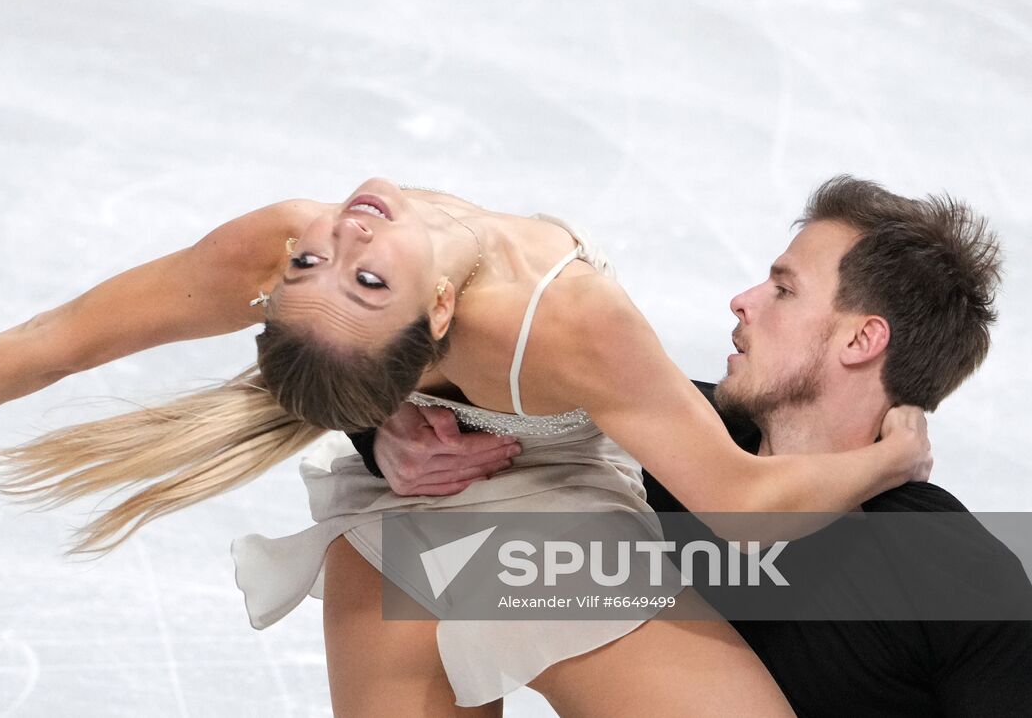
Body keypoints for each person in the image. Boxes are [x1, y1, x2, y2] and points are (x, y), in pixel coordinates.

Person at [0, 178, 931, 717]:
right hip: (408, 527)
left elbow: (745, 500)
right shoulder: (515, 311)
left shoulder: (537, 310)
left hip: (562, 515)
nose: (341, 236)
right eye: (340, 271)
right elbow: (57, 341)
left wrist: (886, 462)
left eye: (330, 265)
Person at [355, 175, 1032, 715]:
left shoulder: (955, 573)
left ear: (862, 339)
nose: (742, 300)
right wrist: (388, 433)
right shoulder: (684, 442)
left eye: (783, 289)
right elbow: (453, 382)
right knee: (393, 541)